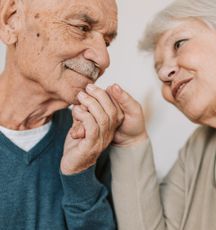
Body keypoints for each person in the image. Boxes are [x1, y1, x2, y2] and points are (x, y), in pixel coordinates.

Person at [0, 0, 148, 229]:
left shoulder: (93, 142)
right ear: (11, 19)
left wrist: (80, 175)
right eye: (82, 28)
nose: (103, 60)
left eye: (107, 43)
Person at [109, 0, 216, 229]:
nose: (165, 73)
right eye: (158, 70)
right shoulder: (197, 148)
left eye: (179, 44)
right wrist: (131, 141)